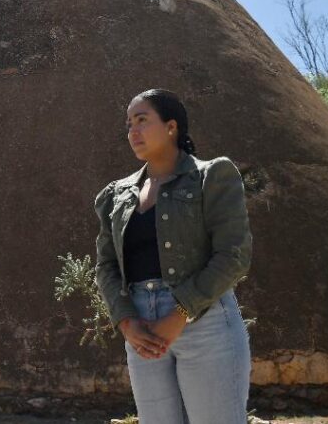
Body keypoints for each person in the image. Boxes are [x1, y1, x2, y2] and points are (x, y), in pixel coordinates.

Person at [93, 88, 252, 423]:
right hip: (140, 330)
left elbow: (233, 255)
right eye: (128, 124)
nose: (132, 131)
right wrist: (125, 320)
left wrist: (180, 312)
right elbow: (106, 265)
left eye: (142, 120)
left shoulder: (211, 176)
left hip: (205, 323)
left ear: (171, 127)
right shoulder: (116, 195)